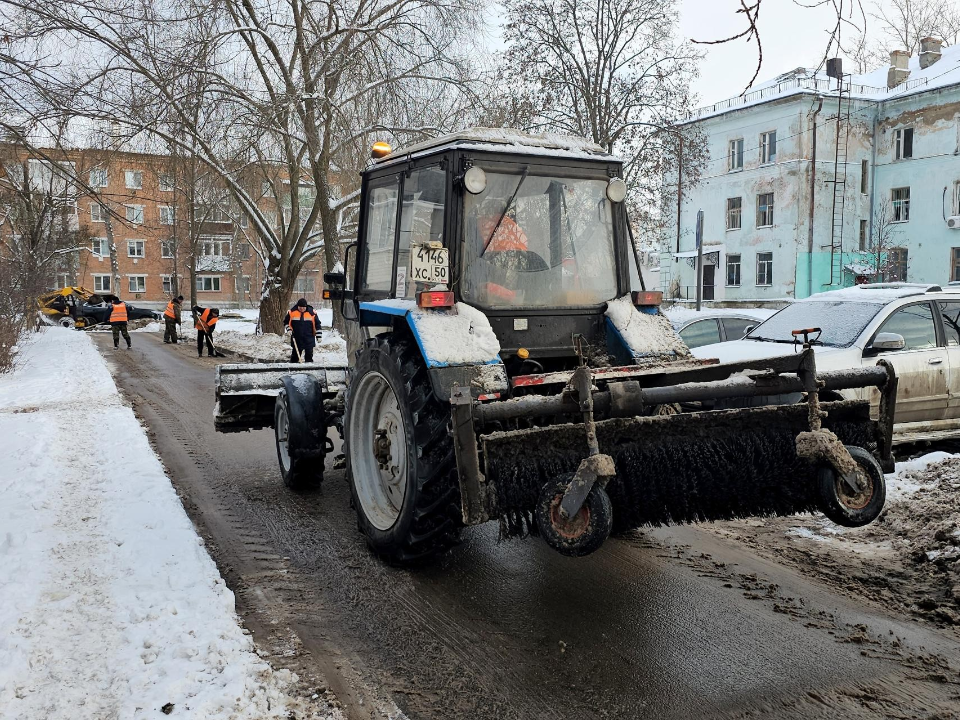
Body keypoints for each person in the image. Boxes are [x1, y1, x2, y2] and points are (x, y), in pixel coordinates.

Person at [283, 298, 318, 363]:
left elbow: (317, 324)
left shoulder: (312, 313)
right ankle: (293, 368)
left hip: (309, 338)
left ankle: (309, 368)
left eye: (303, 307)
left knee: (309, 355)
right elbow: (286, 322)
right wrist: (289, 329)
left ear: (306, 307)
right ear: (297, 306)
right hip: (296, 338)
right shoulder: (292, 312)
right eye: (300, 307)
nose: (302, 309)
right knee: (295, 356)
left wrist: (319, 336)